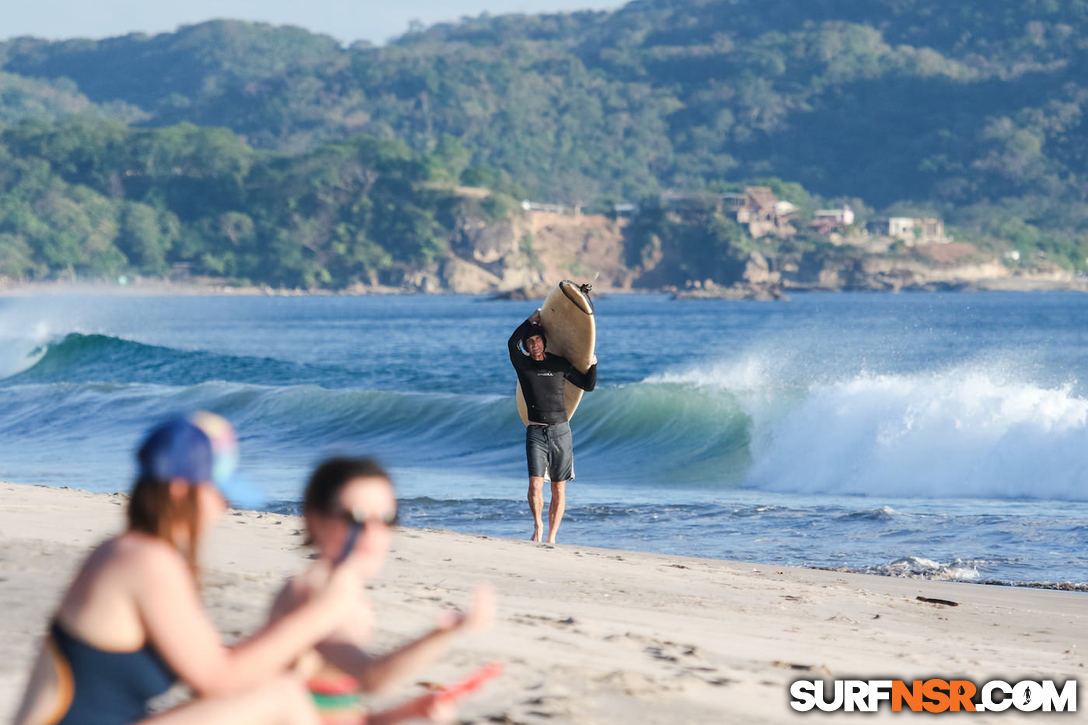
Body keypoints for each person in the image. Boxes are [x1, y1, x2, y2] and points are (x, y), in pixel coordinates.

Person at [14, 412, 364, 725]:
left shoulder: (128, 552)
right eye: (219, 491)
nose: (225, 506)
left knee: (276, 690)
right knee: (281, 697)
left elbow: (212, 666)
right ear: (182, 490)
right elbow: (219, 678)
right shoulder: (144, 561)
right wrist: (323, 612)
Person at [268, 457, 493, 724]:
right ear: (315, 519)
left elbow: (337, 715)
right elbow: (371, 679)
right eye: (356, 518)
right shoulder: (313, 590)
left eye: (387, 518)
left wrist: (406, 712)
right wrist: (444, 633)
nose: (372, 532)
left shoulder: (348, 593)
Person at [508, 309, 597, 543]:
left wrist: (593, 364)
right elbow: (511, 343)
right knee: (535, 485)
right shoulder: (523, 365)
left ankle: (552, 537)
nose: (534, 344)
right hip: (536, 431)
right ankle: (537, 526)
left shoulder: (560, 365)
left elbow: (587, 385)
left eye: (537, 339)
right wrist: (530, 320)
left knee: (559, 488)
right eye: (530, 341)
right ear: (527, 346)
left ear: (544, 342)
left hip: (561, 431)